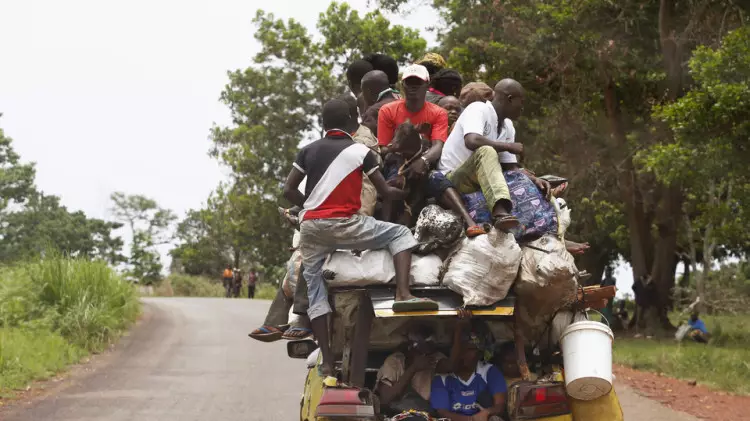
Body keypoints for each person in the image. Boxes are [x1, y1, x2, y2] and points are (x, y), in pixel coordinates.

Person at [284, 98, 439, 382]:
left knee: (316, 288)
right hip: (346, 224)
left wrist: (312, 204)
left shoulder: (307, 151)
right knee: (400, 234)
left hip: (311, 227)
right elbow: (384, 191)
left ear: (324, 123)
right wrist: (404, 195)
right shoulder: (361, 150)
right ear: (350, 121)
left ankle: (328, 363)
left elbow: (288, 190)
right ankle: (404, 293)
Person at [378, 64, 486, 237]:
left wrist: (423, 160)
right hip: (397, 159)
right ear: (402, 86)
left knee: (436, 178)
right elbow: (383, 148)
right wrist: (403, 147)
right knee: (393, 178)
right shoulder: (388, 110)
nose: (413, 86)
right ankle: (385, 228)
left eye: (417, 83)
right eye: (409, 82)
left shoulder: (437, 113)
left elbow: (438, 145)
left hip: (425, 160)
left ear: (427, 86)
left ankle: (469, 222)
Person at [438, 79, 550, 231]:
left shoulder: (508, 126)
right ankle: (499, 211)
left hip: (480, 180)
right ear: (510, 99)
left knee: (526, 183)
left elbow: (511, 167)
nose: (522, 107)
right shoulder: (477, 109)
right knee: (487, 151)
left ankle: (544, 230)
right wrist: (508, 146)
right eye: (521, 102)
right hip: (454, 179)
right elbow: (471, 140)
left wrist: (534, 180)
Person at [431, 324, 508, 421]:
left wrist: (488, 412)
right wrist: (471, 419)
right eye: (460, 350)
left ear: (480, 353)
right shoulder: (442, 377)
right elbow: (442, 413)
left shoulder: (489, 371)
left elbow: (500, 405)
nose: (463, 354)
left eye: (469, 350)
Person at [361, 70, 400, 136]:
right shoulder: (403, 104)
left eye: (363, 92)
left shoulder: (372, 112)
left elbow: (364, 141)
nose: (363, 96)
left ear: (368, 92)